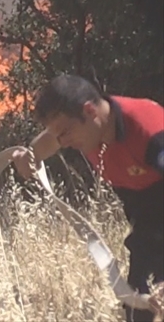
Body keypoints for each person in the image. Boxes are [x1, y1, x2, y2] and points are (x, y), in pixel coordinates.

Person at [11, 74, 164, 321]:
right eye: (58, 135)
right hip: (148, 228)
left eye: (66, 132)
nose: (64, 142)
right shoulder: (88, 129)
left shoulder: (148, 130)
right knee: (139, 308)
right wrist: (29, 156)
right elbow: (50, 140)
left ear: (90, 110)